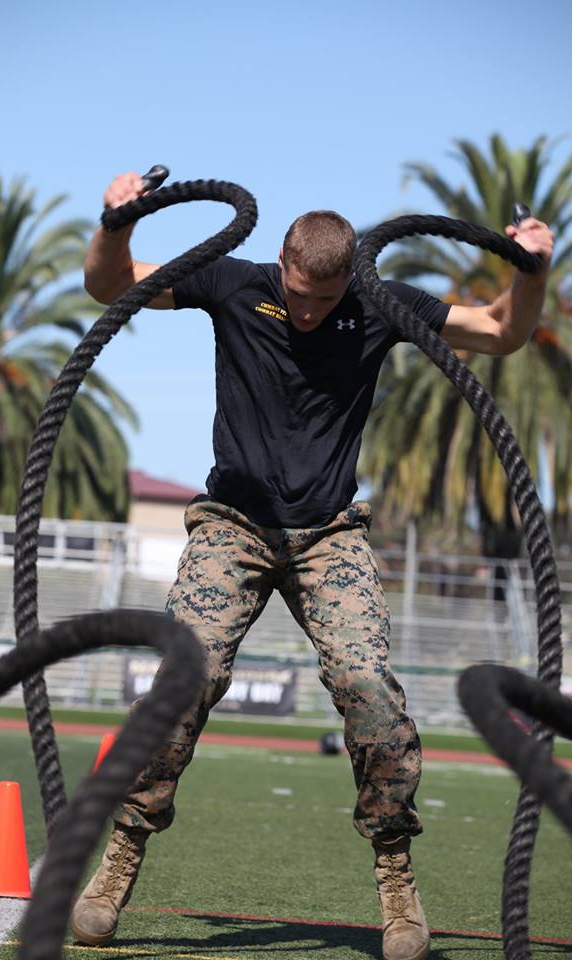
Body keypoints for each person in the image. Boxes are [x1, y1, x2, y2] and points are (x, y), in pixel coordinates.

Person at [71, 171, 554, 960]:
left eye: (321, 302)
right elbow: (110, 287)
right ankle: (122, 853)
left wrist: (529, 272)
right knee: (182, 681)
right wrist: (116, 221)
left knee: (370, 689)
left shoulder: (378, 303)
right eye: (295, 295)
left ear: (347, 277)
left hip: (329, 533)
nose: (304, 312)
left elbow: (503, 332)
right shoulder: (235, 284)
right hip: (233, 524)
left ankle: (396, 879)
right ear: (284, 265)